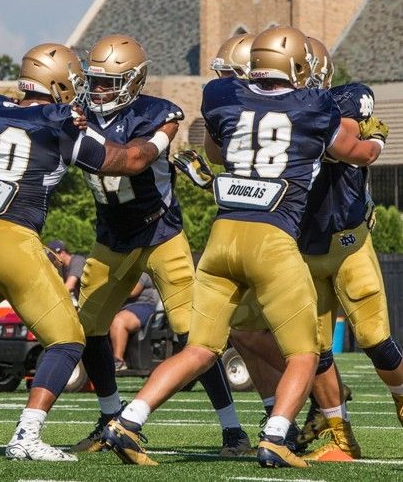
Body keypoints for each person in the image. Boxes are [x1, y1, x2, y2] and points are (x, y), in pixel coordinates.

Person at [103, 26, 385, 469]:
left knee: (199, 349)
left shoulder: (221, 95)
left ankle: (127, 421)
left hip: (221, 241)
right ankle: (276, 435)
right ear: (295, 66)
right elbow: (359, 154)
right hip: (272, 242)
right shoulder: (315, 105)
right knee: (305, 353)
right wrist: (378, 139)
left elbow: (216, 153)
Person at [0, 41, 175, 463]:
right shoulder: (60, 121)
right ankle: (27, 435)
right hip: (15, 241)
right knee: (68, 340)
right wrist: (157, 140)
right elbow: (121, 162)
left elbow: (12, 114)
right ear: (62, 82)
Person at [219, 37, 401, 460]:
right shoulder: (278, 110)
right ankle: (342, 439)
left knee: (375, 338)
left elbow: (352, 145)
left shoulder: (347, 98)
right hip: (301, 247)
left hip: (348, 242)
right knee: (315, 349)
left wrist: (373, 145)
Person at [70, 34, 248, 457]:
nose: (97, 90)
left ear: (133, 81)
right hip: (110, 238)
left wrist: (77, 136)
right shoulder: (76, 114)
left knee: (194, 335)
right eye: (93, 81)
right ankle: (108, 418)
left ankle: (232, 430)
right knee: (88, 328)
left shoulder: (159, 113)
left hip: (160, 234)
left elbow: (133, 159)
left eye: (108, 83)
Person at [108, 274, 159, 371]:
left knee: (119, 321)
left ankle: (118, 361)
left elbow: (132, 291)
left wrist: (110, 289)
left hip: (142, 307)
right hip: (121, 309)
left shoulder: (141, 273)